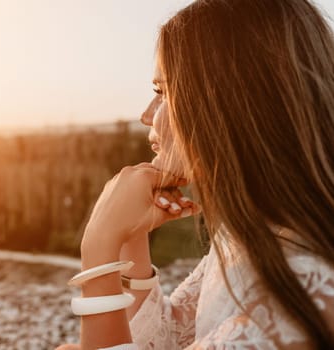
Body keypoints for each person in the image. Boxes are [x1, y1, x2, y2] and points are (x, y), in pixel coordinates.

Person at [57, 0, 334, 349]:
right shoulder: (256, 236)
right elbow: (169, 339)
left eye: (162, 92)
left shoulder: (303, 300)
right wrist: (131, 237)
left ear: (230, 105)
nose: (146, 115)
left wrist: (99, 243)